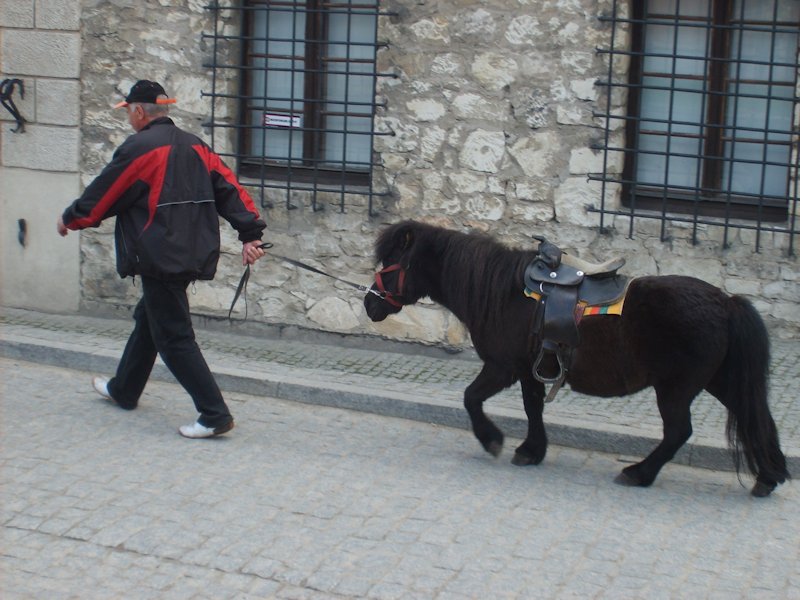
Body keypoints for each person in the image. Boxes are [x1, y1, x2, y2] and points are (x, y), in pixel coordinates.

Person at [57, 80, 267, 439]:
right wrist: (251, 234)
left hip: (158, 255)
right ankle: (125, 389)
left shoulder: (140, 147)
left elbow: (104, 193)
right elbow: (230, 188)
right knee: (149, 318)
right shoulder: (196, 146)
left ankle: (214, 414)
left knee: (173, 336)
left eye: (128, 112)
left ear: (139, 111)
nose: (128, 119)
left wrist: (70, 219)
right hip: (189, 253)